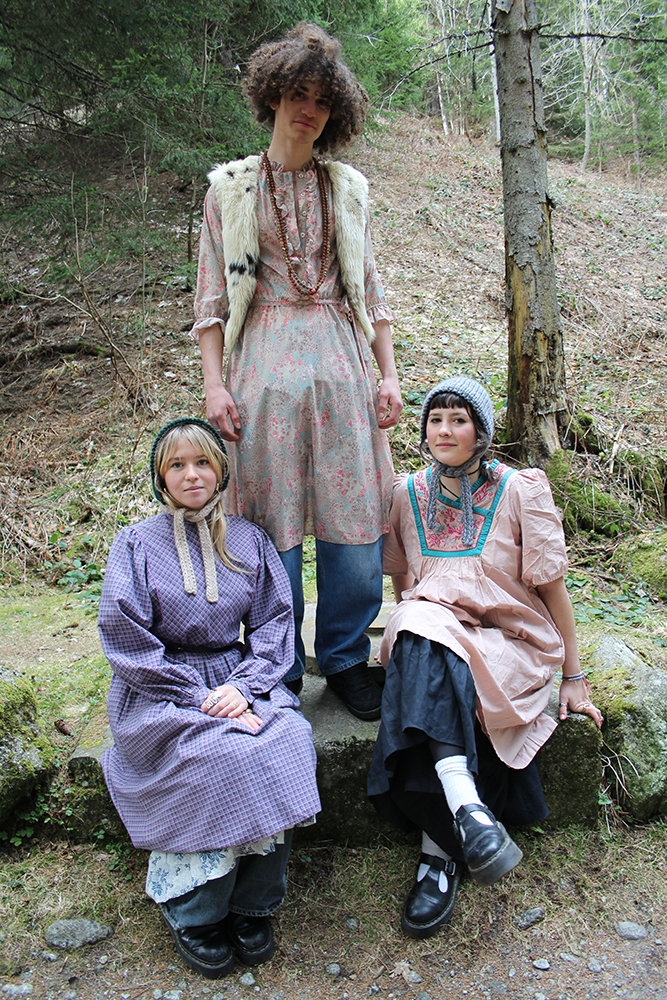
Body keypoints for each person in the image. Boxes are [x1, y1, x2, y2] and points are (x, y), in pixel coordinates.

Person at [190, 22, 402, 721]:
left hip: (343, 367)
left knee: (354, 515)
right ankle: (276, 662)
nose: (306, 109)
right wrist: (215, 384)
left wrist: (388, 374)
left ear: (333, 113)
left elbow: (370, 289)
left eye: (320, 100)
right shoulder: (230, 190)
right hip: (264, 376)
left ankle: (342, 655)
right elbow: (212, 299)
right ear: (272, 96)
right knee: (269, 520)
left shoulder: (347, 190)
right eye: (295, 94)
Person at [367, 376, 604, 939]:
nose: (444, 431)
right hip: (432, 628)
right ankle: (469, 815)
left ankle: (438, 854)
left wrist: (573, 675)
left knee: (432, 663)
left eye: (459, 420)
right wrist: (414, 625)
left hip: (508, 639)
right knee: (422, 627)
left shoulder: (520, 489)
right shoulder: (408, 492)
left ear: (482, 431)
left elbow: (551, 591)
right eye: (435, 420)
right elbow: (405, 583)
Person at [99, 418, 321, 979]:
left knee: (287, 738)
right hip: (160, 688)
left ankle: (254, 903)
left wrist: (242, 688)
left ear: (221, 470)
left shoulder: (248, 539)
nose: (191, 474)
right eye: (177, 465)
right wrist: (197, 696)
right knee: (216, 757)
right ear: (160, 476)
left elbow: (274, 622)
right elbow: (125, 637)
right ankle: (195, 911)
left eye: (202, 462)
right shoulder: (134, 544)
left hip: (238, 677)